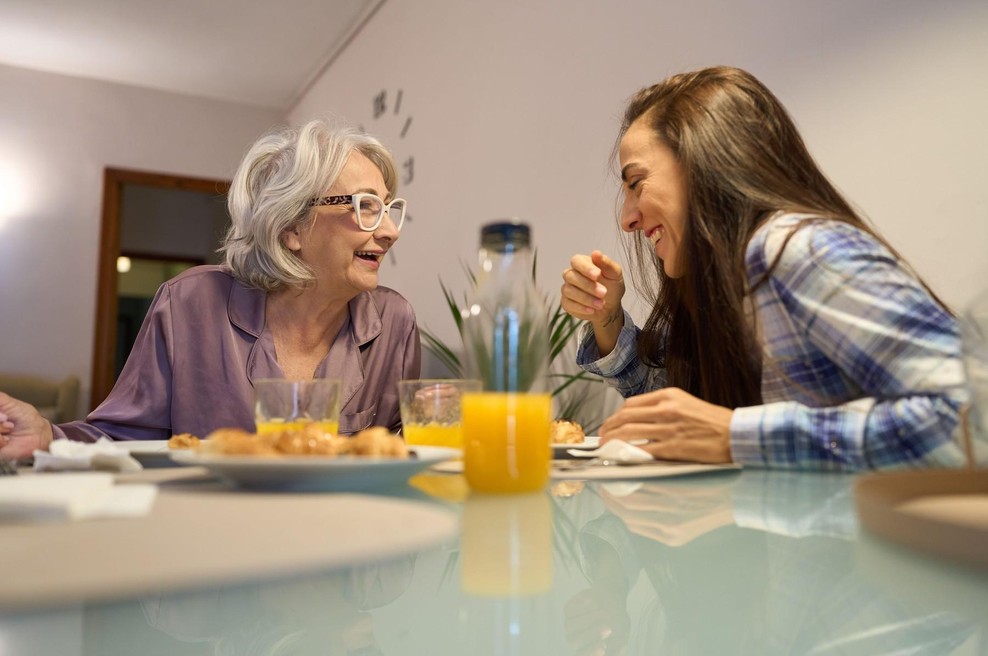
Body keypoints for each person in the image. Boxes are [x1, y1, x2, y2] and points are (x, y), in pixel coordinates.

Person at [561, 66, 967, 470]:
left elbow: (969, 419)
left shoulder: (794, 249)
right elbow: (678, 410)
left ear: (704, 163)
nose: (627, 219)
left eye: (636, 182)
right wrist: (607, 316)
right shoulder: (727, 278)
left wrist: (740, 436)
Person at [0, 119, 420, 460]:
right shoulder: (190, 303)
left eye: (388, 209)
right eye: (365, 207)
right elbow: (122, 437)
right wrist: (47, 437)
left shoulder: (393, 321)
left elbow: (405, 450)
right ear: (292, 226)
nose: (388, 232)